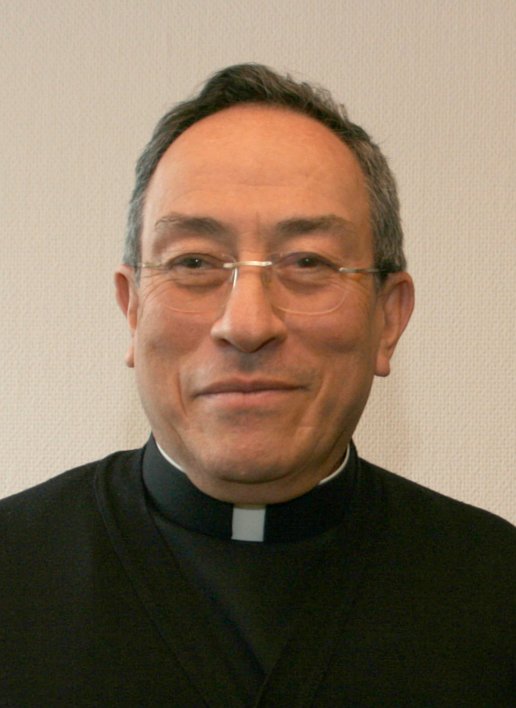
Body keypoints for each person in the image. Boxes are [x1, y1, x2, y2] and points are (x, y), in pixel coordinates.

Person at [1, 64, 514, 707]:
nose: (246, 325)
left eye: (308, 262)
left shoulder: (497, 590)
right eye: (193, 262)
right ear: (132, 311)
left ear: (388, 319)